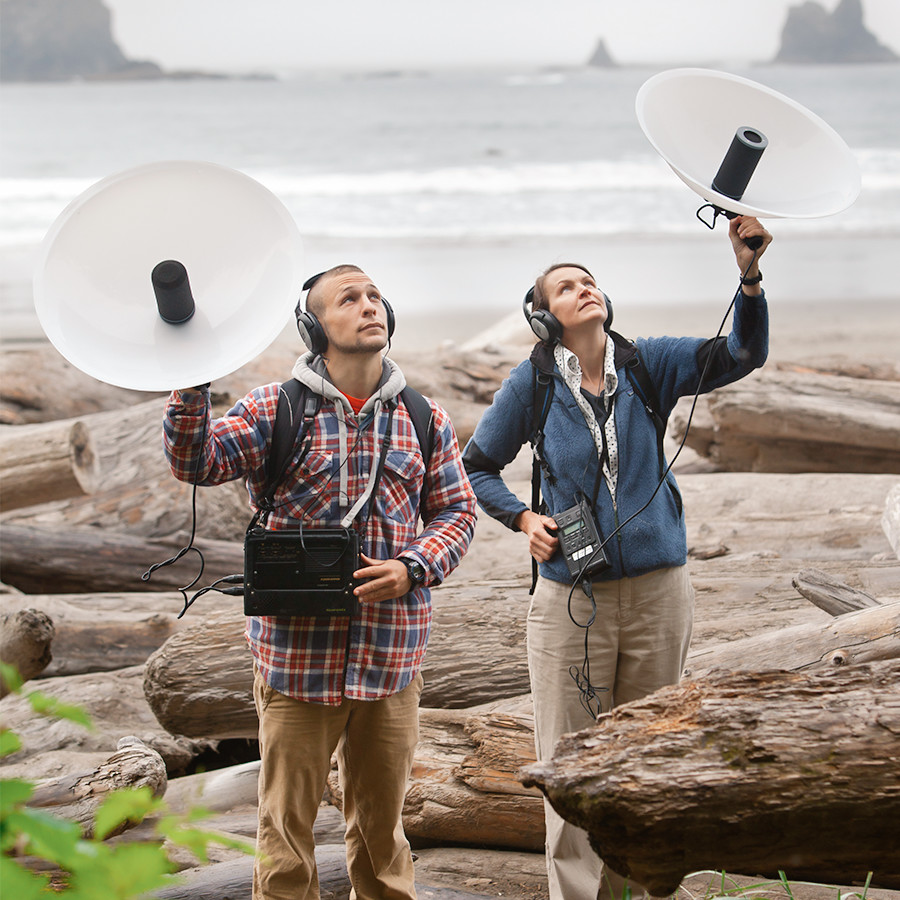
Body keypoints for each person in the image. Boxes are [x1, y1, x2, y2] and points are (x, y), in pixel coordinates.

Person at [462, 217, 772, 900]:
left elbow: (744, 352)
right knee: (571, 766)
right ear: (544, 316)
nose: (585, 290)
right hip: (571, 601)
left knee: (651, 758)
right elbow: (478, 466)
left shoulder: (648, 363)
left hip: (661, 592)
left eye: (591, 281)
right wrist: (523, 518)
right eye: (567, 287)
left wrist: (747, 276)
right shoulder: (533, 383)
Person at [162, 264, 477, 900]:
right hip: (295, 660)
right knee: (285, 836)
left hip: (390, 659)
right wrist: (191, 382)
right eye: (349, 299)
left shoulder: (424, 417)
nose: (369, 307)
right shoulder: (273, 408)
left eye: (375, 297)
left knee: (384, 837)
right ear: (314, 326)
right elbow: (195, 460)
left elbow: (457, 512)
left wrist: (413, 566)